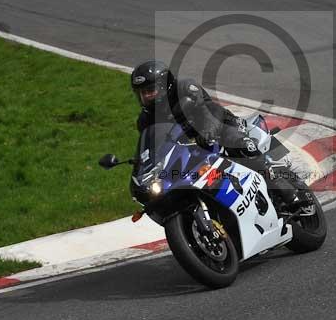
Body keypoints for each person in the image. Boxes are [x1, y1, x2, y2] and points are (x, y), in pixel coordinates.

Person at [130, 60, 304, 210]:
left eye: (150, 90)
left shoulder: (185, 87)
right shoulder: (145, 120)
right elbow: (154, 144)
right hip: (192, 146)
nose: (146, 96)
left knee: (243, 147)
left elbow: (207, 111)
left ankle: (288, 194)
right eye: (142, 93)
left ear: (164, 84)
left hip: (220, 125)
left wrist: (208, 132)